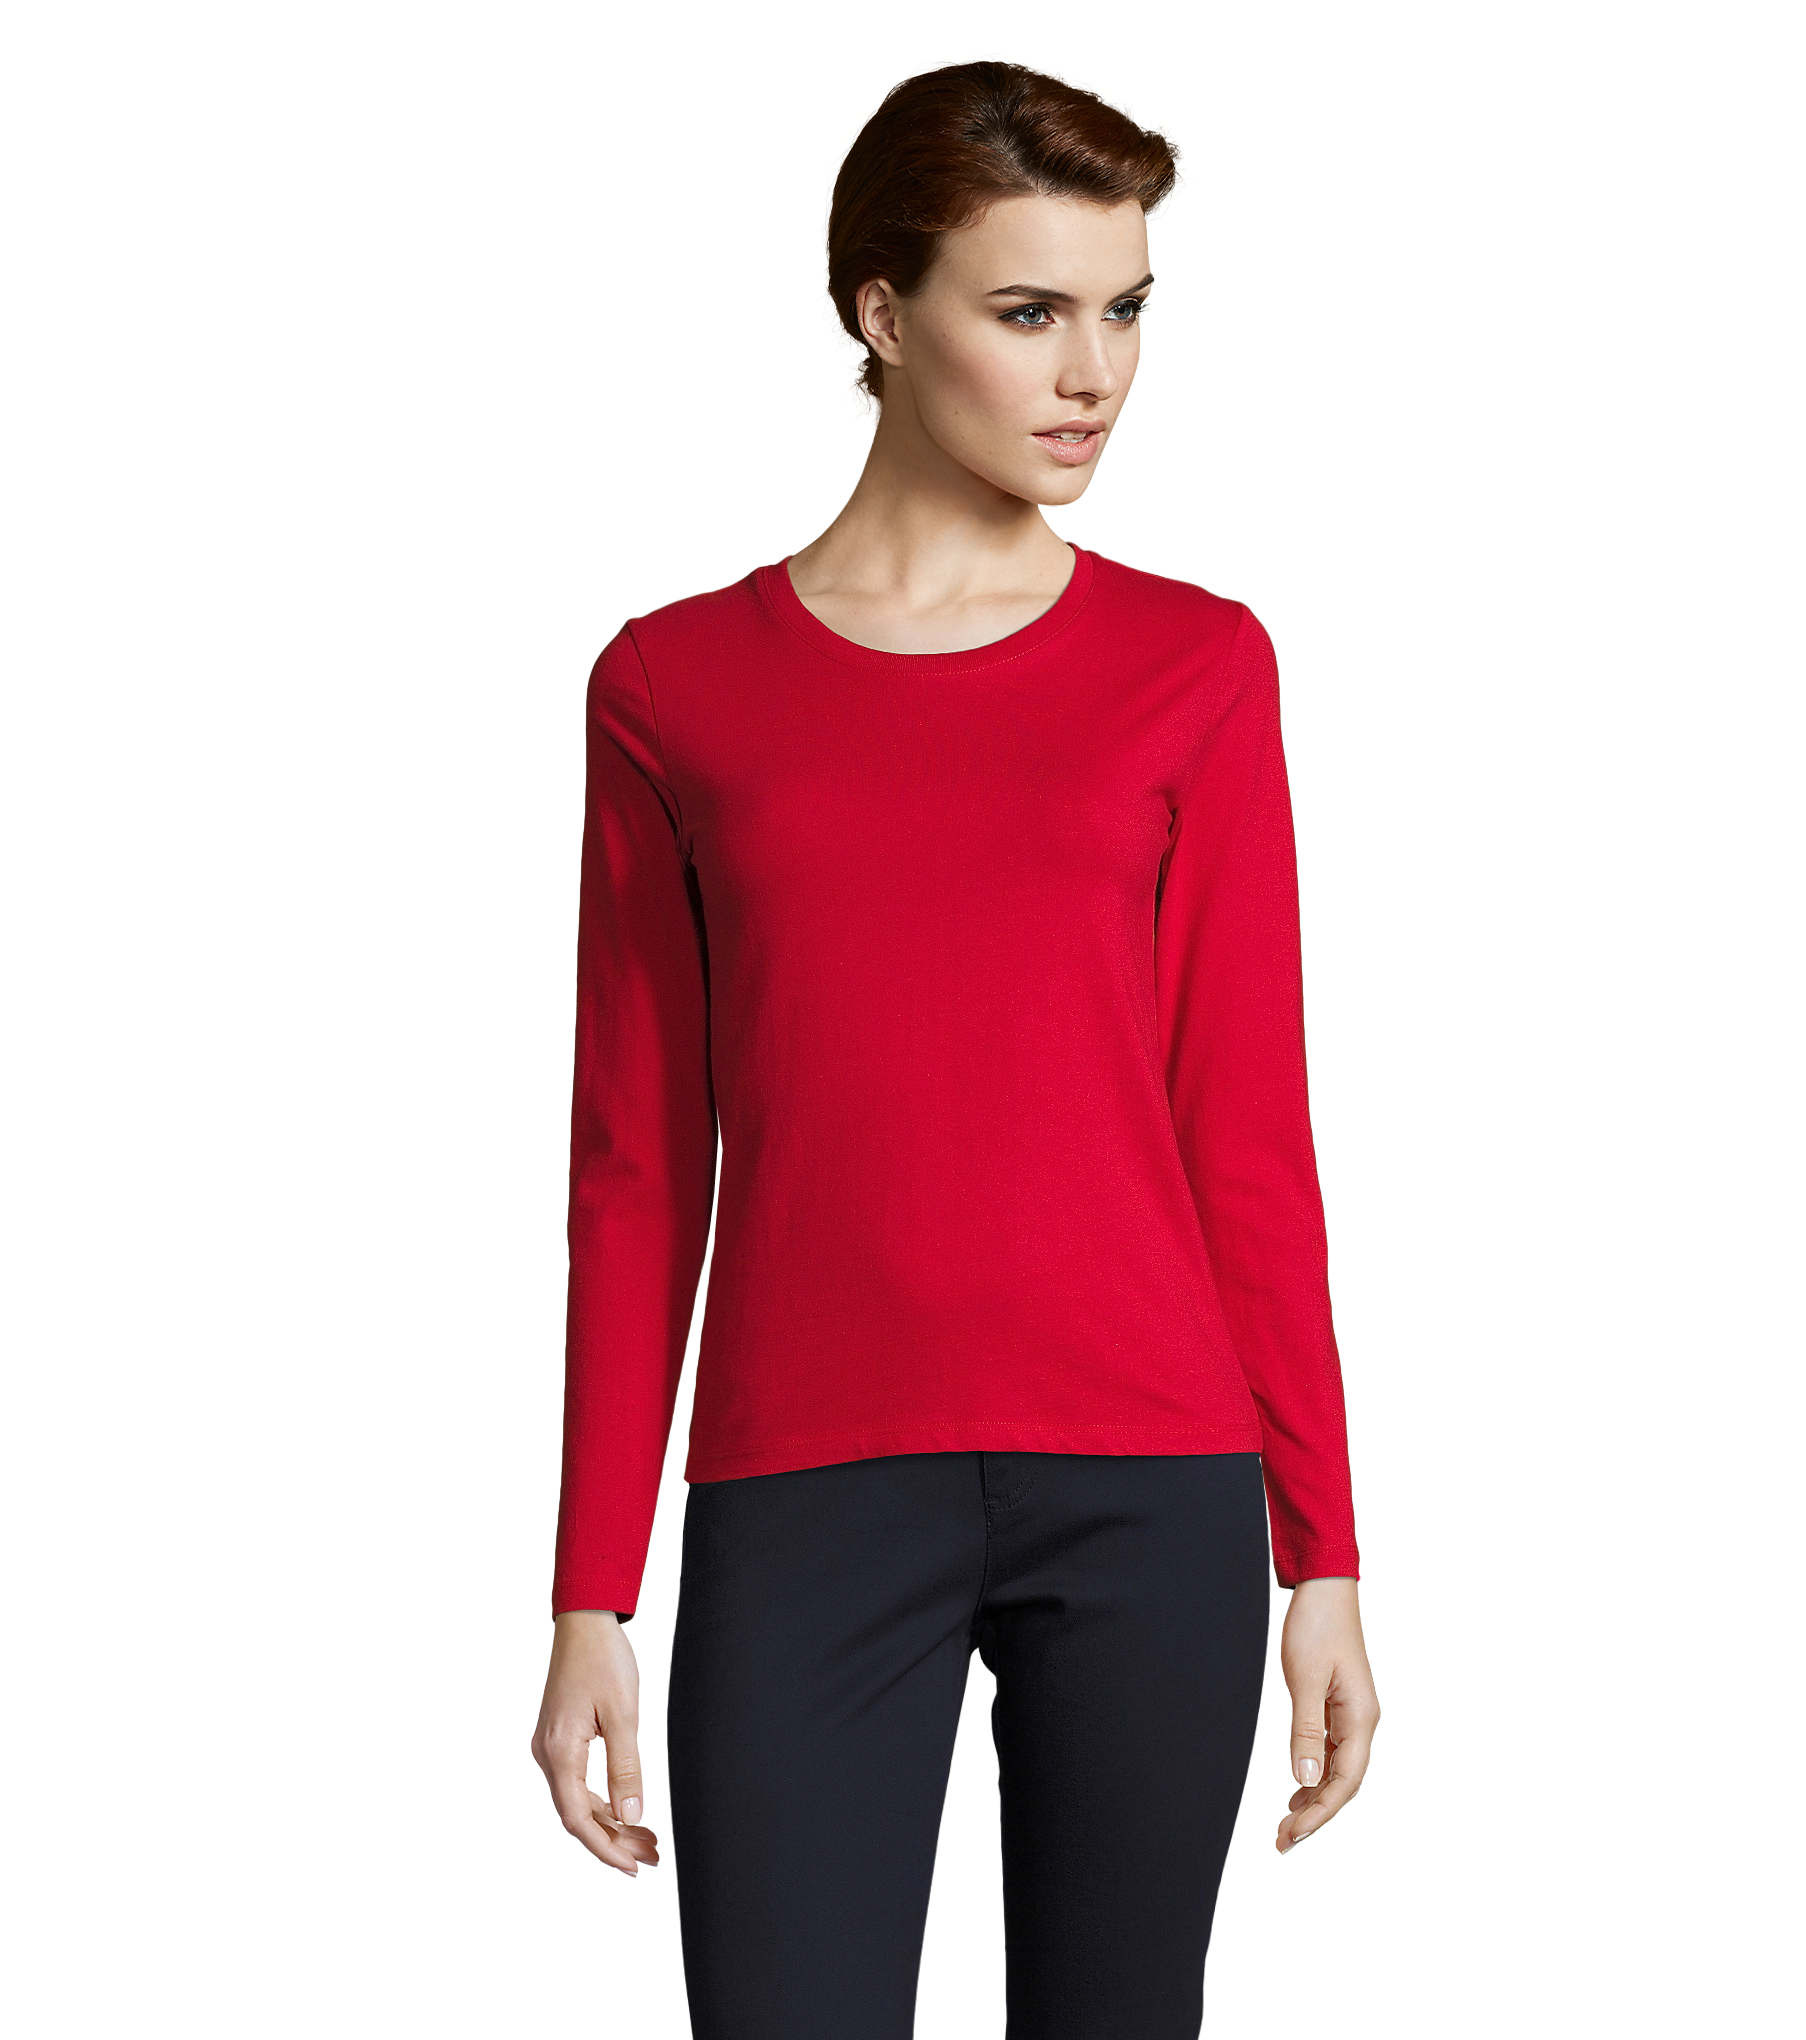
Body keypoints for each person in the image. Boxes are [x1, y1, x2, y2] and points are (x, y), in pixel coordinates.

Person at [531, 57, 1379, 2038]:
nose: (1094, 372)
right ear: (882, 313)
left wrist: (1321, 1549)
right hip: (806, 1492)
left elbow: (1245, 1134)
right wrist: (591, 1591)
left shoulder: (1195, 666)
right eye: (1028, 310)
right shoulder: (673, 687)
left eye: (1125, 307)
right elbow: (634, 1166)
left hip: (1151, 1482)